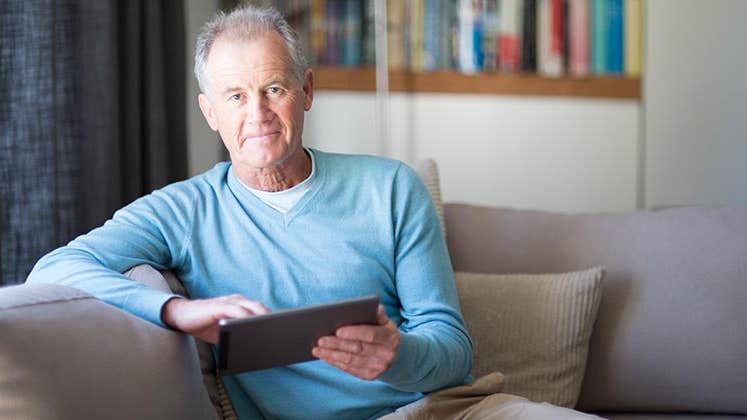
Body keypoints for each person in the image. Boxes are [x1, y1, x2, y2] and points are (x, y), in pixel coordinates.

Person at [28, 5, 601, 420]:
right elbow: (54, 268)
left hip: (444, 409)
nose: (258, 114)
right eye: (235, 96)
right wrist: (176, 310)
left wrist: (397, 356)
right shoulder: (185, 209)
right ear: (209, 112)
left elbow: (452, 352)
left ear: (306, 90)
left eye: (273, 89)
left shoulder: (391, 187)